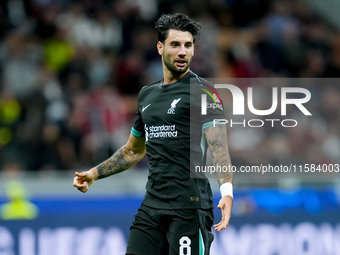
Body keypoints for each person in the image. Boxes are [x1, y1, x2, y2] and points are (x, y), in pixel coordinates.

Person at [73, 13, 233, 255]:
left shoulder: (203, 92)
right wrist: (94, 173)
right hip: (152, 207)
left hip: (189, 208)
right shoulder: (147, 95)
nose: (183, 52)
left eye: (188, 45)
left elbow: (219, 146)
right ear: (160, 47)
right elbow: (132, 151)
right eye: (175, 44)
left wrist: (227, 192)